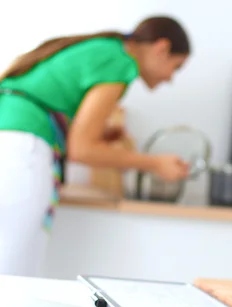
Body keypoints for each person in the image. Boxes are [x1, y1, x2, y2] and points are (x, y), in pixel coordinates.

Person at [0, 16, 191, 278]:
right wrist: (156, 163)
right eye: (176, 66)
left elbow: (78, 135)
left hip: (12, 139)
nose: (171, 78)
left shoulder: (106, 48)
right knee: (12, 271)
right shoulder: (120, 62)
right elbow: (83, 149)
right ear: (162, 48)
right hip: (21, 150)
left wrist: (103, 135)